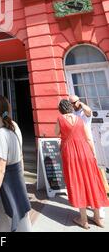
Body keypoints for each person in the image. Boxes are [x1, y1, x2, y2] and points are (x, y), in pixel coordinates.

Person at [55, 99, 109, 229]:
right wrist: (93, 154)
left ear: (61, 109)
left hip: (71, 154)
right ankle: (97, 217)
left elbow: (56, 133)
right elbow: (88, 138)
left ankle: (83, 220)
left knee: (77, 182)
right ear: (70, 107)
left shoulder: (60, 119)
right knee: (92, 182)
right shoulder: (80, 119)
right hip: (85, 152)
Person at [0, 96, 32, 232]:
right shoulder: (15, 126)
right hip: (16, 180)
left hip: (7, 184)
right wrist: (20, 179)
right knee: (7, 223)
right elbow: (21, 156)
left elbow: (0, 170)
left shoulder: (1, 133)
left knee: (3, 225)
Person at [69, 95, 106, 220]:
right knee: (84, 178)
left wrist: (81, 104)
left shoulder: (84, 114)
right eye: (71, 103)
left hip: (88, 146)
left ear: (78, 102)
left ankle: (99, 208)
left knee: (93, 177)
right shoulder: (73, 114)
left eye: (74, 103)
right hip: (78, 149)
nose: (73, 105)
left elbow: (89, 111)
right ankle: (88, 204)